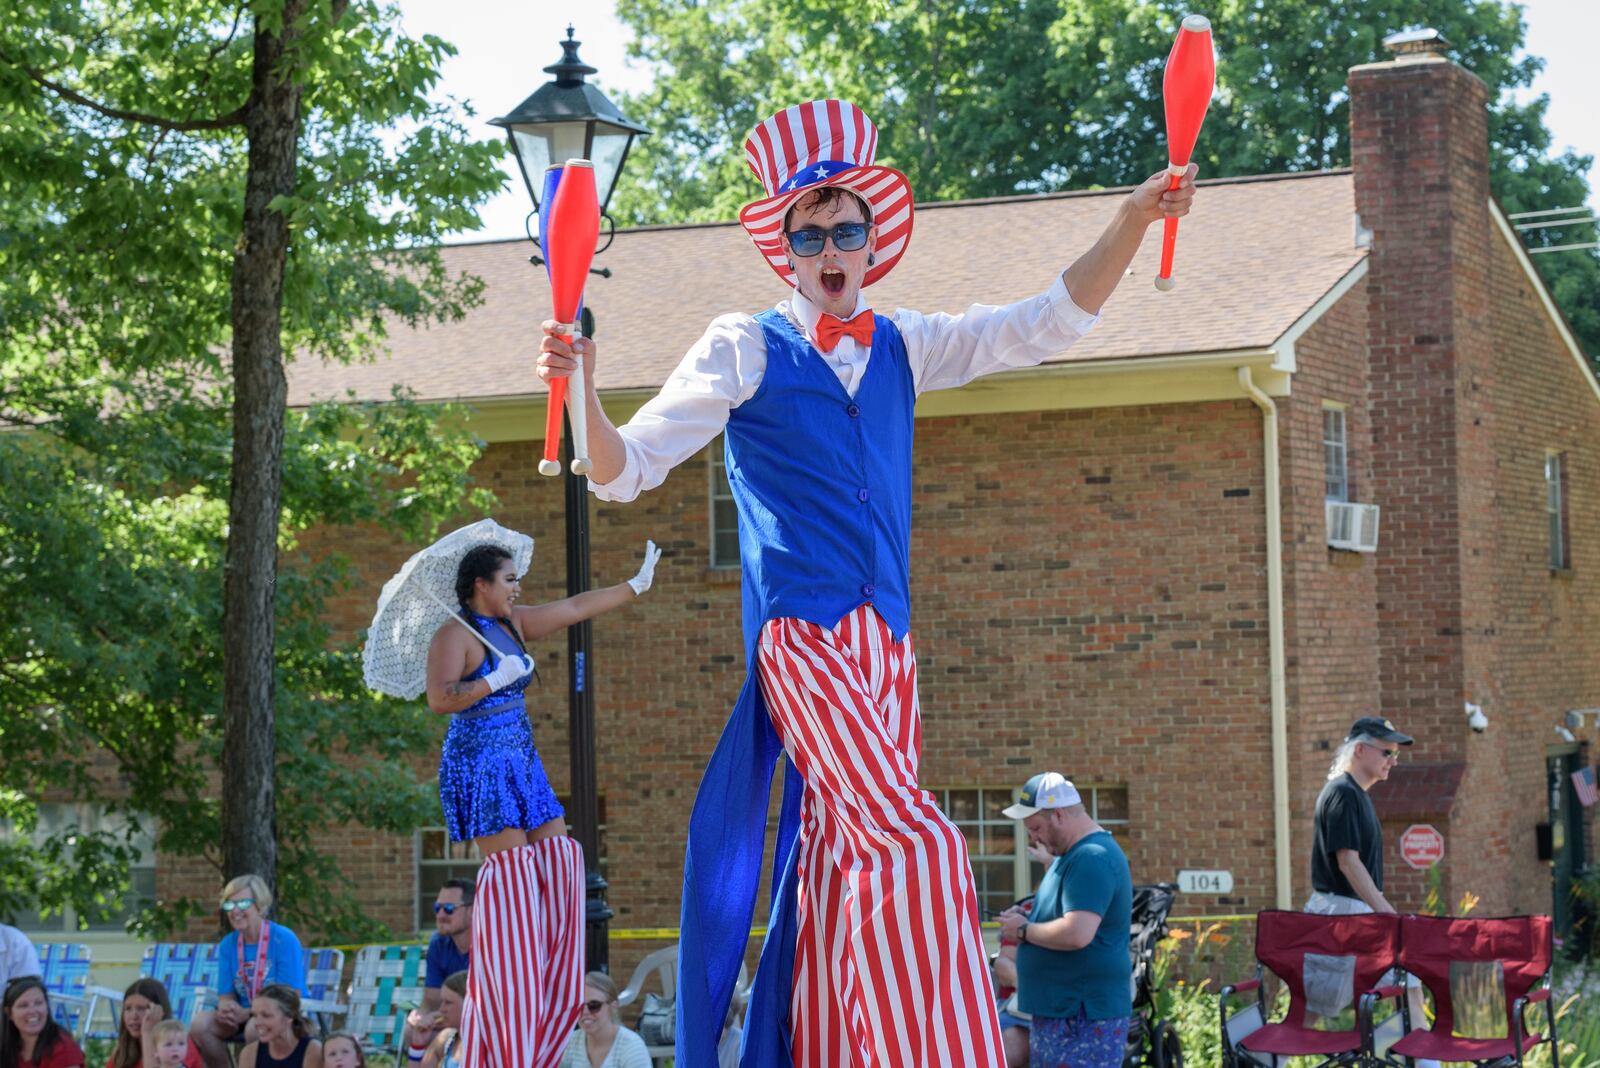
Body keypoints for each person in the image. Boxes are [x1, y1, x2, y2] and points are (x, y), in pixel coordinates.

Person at [537, 98, 1197, 1066]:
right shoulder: (746, 345)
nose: (831, 247)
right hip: (802, 641)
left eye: (848, 229)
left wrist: (1133, 218)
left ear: (871, 242)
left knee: (845, 867)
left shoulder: (906, 344)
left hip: (888, 647)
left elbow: (1045, 324)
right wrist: (580, 381)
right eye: (811, 233)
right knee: (918, 844)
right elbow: (623, 468)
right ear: (786, 251)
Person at [424, 539, 659, 1068]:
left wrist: (633, 586)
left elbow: (574, 608)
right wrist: (488, 680)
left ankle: (550, 991)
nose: (517, 587)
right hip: (481, 761)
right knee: (513, 877)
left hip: (522, 757)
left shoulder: (513, 625)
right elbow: (439, 698)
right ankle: (511, 1010)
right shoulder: (453, 635)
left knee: (559, 860)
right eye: (509, 580)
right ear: (481, 585)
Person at [1306, 717, 1438, 1068]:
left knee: (1407, 983)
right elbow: (1348, 862)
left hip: (1353, 914)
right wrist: (1388, 915)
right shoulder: (1342, 793)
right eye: (1386, 752)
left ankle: (1418, 1060)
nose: (1392, 761)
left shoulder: (1356, 795)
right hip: (1342, 914)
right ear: (1360, 749)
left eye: (1395, 754)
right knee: (1316, 1007)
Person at [999, 773, 1133, 1068]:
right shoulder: (1071, 856)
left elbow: (1077, 933)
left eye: (1035, 827)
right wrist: (1029, 918)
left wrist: (1022, 930)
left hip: (1080, 1016)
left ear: (1058, 814)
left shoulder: (1092, 857)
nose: (1034, 838)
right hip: (1064, 1012)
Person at [190, 874, 306, 1068]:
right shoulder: (228, 944)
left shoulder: (283, 939)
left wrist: (250, 1012)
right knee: (200, 1025)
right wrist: (227, 1008)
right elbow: (226, 994)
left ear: (260, 906)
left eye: (243, 904)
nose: (235, 911)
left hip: (281, 1015)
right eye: (229, 905)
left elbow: (291, 997)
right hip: (242, 1015)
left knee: (256, 1027)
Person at [402, 880, 472, 1060]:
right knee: (412, 1031)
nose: (440, 914)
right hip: (450, 1021)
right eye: (437, 908)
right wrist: (421, 1016)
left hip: (483, 1024)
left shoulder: (490, 946)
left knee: (443, 1039)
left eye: (449, 908)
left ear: (472, 911)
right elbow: (431, 999)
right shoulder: (438, 944)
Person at [106, 978, 204, 1068]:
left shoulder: (178, 1044)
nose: (133, 1016)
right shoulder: (122, 1055)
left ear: (159, 1011)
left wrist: (148, 1033)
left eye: (141, 1008)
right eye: (128, 1008)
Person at [557, 973, 649, 1068]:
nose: (585, 1012)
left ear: (613, 1007)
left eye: (594, 1005)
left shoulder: (632, 1047)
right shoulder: (571, 1042)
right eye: (579, 1006)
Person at [1, 976, 84, 1068]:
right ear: (9, 1013)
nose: (32, 1011)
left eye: (38, 1003)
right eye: (23, 1006)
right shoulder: (6, 1044)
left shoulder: (64, 1048)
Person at [236, 985, 320, 1068]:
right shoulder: (250, 1053)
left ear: (289, 1016)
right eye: (254, 1015)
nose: (257, 1022)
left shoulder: (313, 1051)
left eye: (266, 1015)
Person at [419, 972, 465, 1068]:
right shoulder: (446, 1038)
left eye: (448, 1002)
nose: (441, 1009)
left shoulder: (487, 1044)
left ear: (467, 1004)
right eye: (442, 1002)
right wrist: (418, 1043)